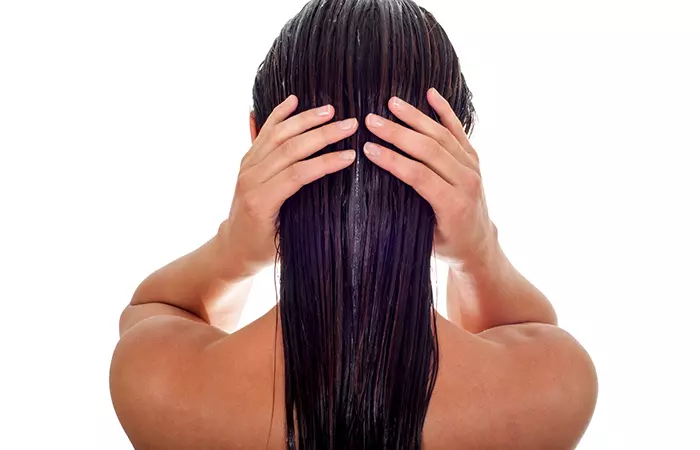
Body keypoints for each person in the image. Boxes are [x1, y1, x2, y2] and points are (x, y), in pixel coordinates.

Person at [109, 0, 598, 448]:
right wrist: (477, 252)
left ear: (258, 138)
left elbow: (155, 309)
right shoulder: (553, 389)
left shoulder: (158, 383)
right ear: (455, 157)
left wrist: (234, 247)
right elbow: (523, 331)